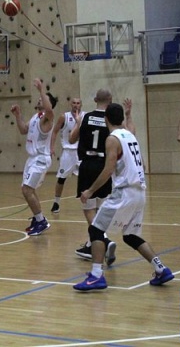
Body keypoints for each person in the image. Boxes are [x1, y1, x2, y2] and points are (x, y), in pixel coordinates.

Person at [73, 103, 174, 291]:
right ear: (121, 118)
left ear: (106, 119)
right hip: (139, 192)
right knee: (130, 236)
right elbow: (142, 165)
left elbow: (108, 169)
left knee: (95, 229)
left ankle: (96, 276)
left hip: (125, 192)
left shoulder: (112, 139)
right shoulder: (130, 136)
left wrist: (90, 191)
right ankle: (161, 269)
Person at [69, 90, 129, 265]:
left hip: (88, 165)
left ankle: (104, 240)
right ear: (110, 100)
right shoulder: (111, 120)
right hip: (105, 166)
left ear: (95, 99)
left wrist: (77, 123)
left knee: (88, 209)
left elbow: (72, 139)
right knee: (100, 208)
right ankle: (91, 245)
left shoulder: (85, 117)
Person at [10, 78, 58, 236]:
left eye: (43, 99)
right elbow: (23, 130)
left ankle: (42, 221)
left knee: (27, 190)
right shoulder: (36, 116)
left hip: (40, 159)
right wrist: (18, 115)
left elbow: (49, 109)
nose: (39, 99)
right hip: (31, 159)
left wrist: (41, 90)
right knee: (28, 190)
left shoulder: (48, 117)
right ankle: (38, 219)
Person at [50, 97, 84, 213]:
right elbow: (55, 131)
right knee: (61, 178)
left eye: (78, 103)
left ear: (81, 104)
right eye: (74, 103)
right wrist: (51, 147)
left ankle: (89, 201)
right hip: (68, 152)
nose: (76, 105)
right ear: (70, 104)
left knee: (87, 177)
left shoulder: (85, 116)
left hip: (81, 151)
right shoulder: (64, 117)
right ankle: (56, 202)